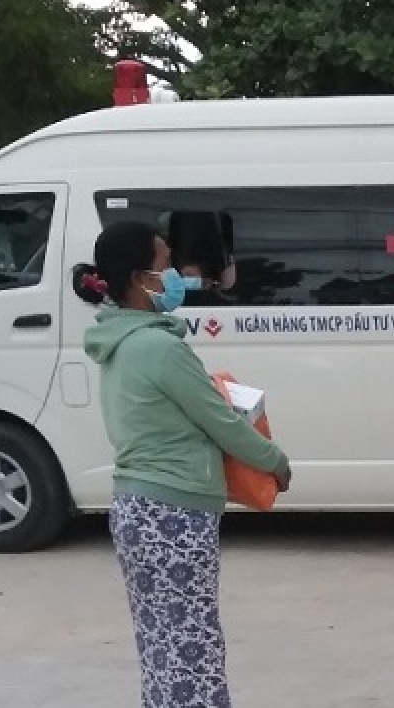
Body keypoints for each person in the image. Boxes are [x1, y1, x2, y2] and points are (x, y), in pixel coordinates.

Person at [74, 221, 292, 708]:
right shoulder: (160, 348)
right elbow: (222, 423)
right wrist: (275, 462)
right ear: (140, 279)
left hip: (137, 509)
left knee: (161, 646)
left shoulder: (119, 341)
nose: (176, 275)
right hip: (173, 515)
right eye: (165, 264)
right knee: (193, 651)